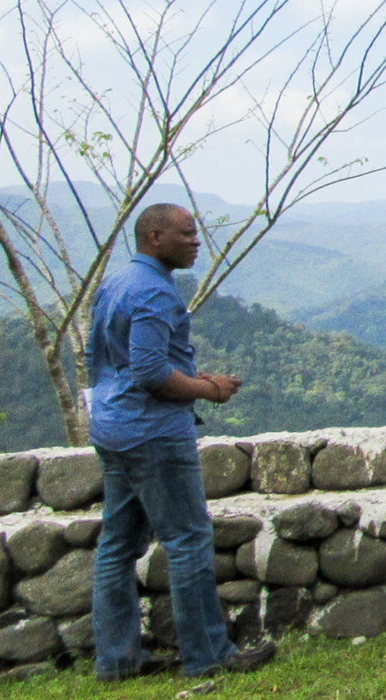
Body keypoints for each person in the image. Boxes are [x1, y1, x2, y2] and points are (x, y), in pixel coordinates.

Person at [87, 203, 277, 680]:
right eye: (187, 234)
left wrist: (194, 378)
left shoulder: (117, 282)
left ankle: (117, 660)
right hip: (153, 433)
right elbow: (151, 373)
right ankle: (208, 655)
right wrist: (210, 390)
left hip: (113, 425)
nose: (197, 242)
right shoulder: (155, 292)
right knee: (189, 540)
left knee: (118, 545)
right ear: (155, 237)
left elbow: (111, 358)